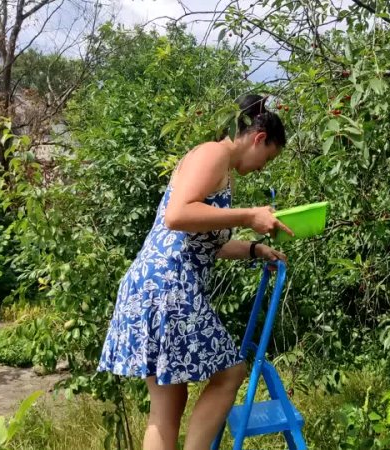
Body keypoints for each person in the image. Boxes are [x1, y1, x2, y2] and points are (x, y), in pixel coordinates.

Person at [97, 94, 293, 450]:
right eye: (269, 157)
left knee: (168, 405)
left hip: (154, 284)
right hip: (169, 287)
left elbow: (205, 241)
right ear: (259, 138)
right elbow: (177, 216)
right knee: (230, 373)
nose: (265, 167)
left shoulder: (224, 174)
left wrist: (252, 248)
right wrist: (249, 216)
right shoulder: (212, 153)